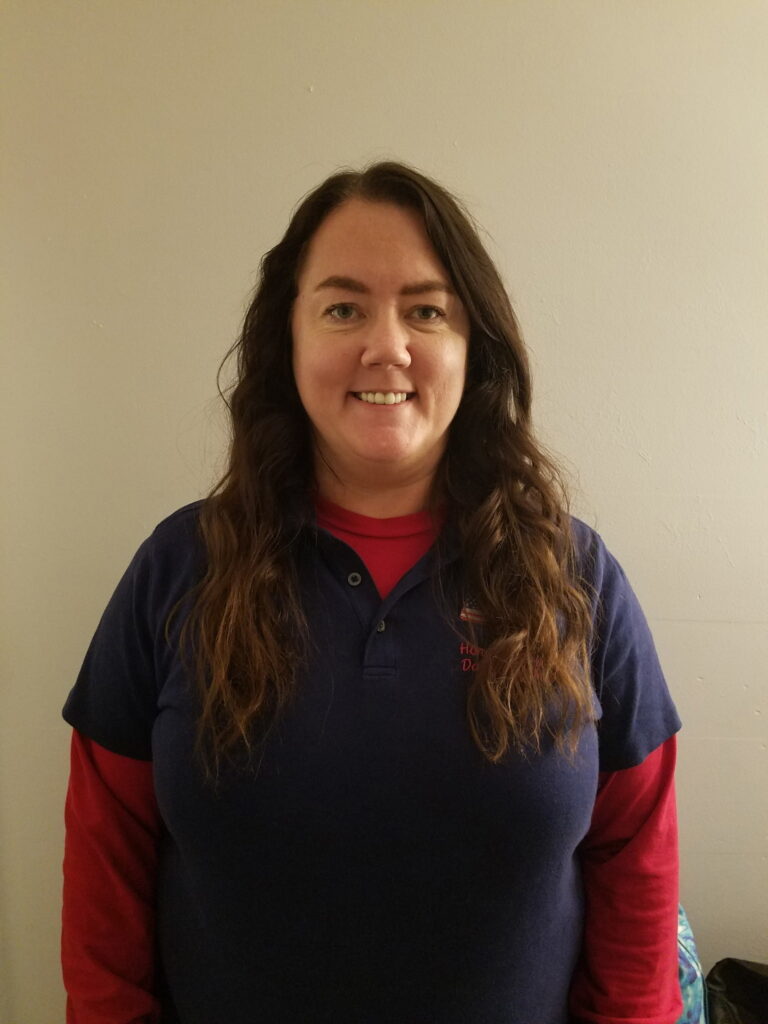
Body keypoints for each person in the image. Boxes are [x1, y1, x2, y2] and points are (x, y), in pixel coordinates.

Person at [62, 161, 682, 1024]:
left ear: (474, 347)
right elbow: (106, 860)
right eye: (343, 308)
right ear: (288, 338)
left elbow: (637, 856)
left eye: (426, 311)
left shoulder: (574, 576)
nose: (386, 347)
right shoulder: (179, 567)